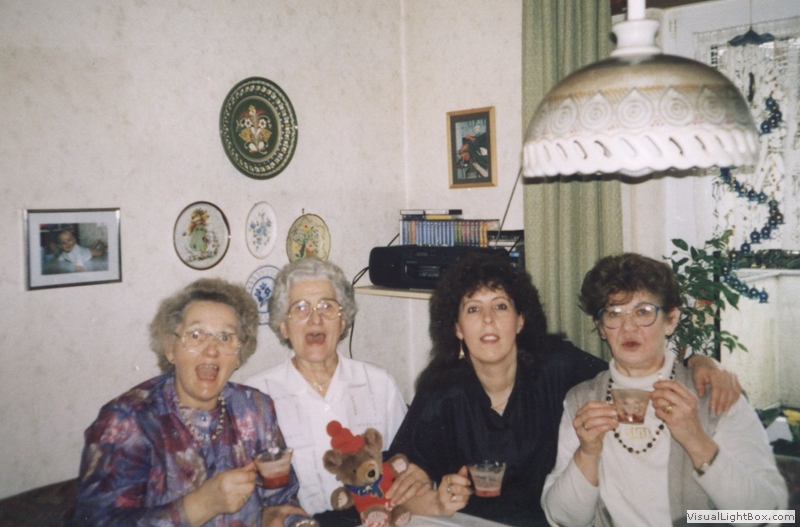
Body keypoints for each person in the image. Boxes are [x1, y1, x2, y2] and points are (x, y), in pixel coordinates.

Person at [388, 251, 742, 526]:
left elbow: (631, 369)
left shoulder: (556, 367)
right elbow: (394, 484)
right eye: (473, 309)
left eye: (500, 306)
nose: (488, 320)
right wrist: (429, 492)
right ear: (457, 328)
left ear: (520, 320)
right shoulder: (442, 391)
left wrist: (698, 362)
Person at [542, 253, 787, 526]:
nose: (628, 326)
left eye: (643, 311)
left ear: (670, 320)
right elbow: (562, 519)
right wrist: (587, 453)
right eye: (614, 313)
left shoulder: (713, 394)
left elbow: (769, 514)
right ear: (601, 328)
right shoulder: (582, 401)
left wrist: (696, 440)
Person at [74, 278, 316, 527]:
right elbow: (96, 523)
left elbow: (281, 499)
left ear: (238, 355)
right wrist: (201, 505)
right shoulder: (128, 420)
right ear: (171, 349)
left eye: (225, 337)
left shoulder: (255, 409)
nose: (211, 350)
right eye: (196, 335)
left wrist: (293, 521)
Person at [244, 258, 430, 526]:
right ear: (283, 326)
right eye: (300, 308)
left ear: (343, 322)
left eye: (327, 306)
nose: (315, 319)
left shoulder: (379, 384)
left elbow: (405, 472)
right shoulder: (256, 397)